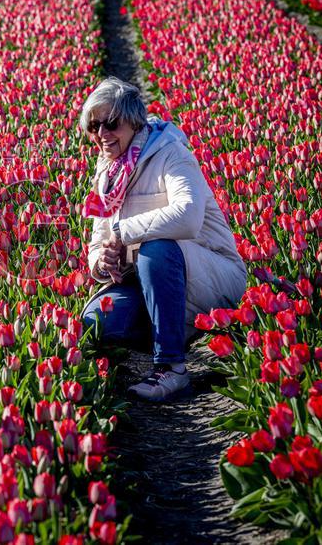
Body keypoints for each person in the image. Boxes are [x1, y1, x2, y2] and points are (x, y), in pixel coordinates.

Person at [80, 77, 245, 401]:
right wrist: (102, 263)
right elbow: (97, 240)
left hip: (207, 269)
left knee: (156, 248)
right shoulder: (108, 173)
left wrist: (121, 232)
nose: (102, 134)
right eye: (94, 125)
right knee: (98, 323)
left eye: (111, 123)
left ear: (134, 121)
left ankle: (171, 368)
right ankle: (172, 330)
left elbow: (188, 216)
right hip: (144, 279)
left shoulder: (171, 155)